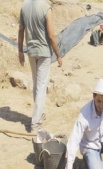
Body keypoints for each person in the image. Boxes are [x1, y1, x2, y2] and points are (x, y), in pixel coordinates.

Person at [18, 0, 62, 132]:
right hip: (43, 53)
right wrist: (58, 55)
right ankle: (36, 123)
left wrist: (20, 50)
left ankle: (39, 114)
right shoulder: (46, 8)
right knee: (42, 87)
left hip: (31, 51)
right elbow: (51, 35)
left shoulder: (24, 6)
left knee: (36, 85)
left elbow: (21, 29)